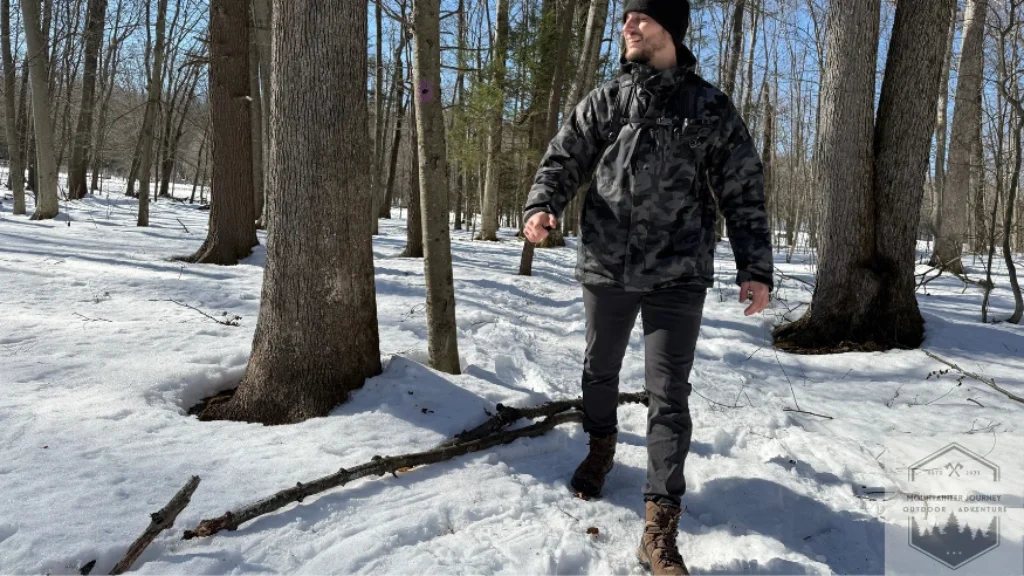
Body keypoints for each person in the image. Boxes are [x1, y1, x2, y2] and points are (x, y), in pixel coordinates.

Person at [522, 0, 773, 573]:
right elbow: (565, 157)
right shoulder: (608, 99)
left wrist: (755, 266)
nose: (627, 25)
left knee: (669, 394)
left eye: (640, 16)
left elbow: (743, 189)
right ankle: (601, 447)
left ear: (670, 28)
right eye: (625, 17)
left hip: (678, 274)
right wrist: (543, 204)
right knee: (599, 369)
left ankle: (659, 522)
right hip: (608, 266)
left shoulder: (709, 107)